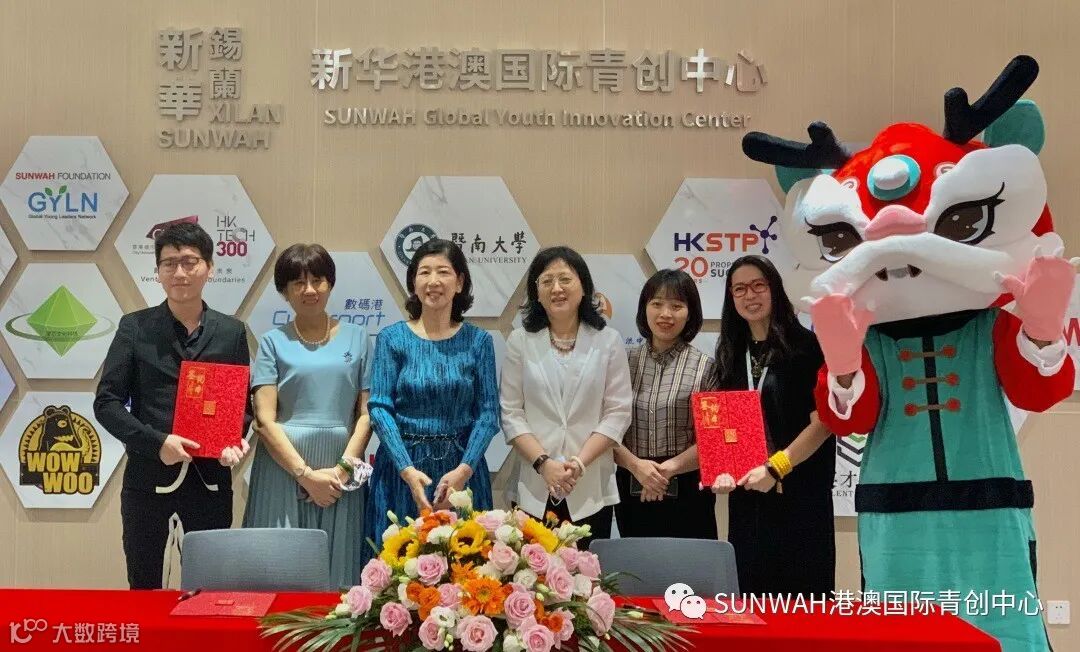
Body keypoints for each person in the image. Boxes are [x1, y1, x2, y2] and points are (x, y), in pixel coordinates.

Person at [94, 222, 251, 590]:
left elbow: (242, 405)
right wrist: (157, 443)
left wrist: (233, 440)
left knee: (210, 590)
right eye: (169, 263)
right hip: (147, 481)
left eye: (190, 262)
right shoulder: (135, 328)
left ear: (210, 268)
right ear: (158, 272)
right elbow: (107, 403)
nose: (180, 272)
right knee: (144, 588)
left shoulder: (231, 332)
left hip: (211, 481)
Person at [361, 238, 499, 564]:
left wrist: (464, 470)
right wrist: (406, 470)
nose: (433, 281)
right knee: (396, 571)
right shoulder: (392, 338)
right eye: (424, 272)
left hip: (461, 470)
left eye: (443, 272)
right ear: (413, 282)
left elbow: (488, 412)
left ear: (460, 282)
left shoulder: (479, 341)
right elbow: (379, 407)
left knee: (466, 573)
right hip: (401, 469)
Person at [242, 244, 372, 587]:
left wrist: (342, 470)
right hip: (283, 468)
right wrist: (305, 475)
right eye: (298, 282)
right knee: (277, 572)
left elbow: (366, 414)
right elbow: (264, 420)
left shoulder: (359, 338)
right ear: (284, 290)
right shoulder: (272, 342)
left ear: (330, 283)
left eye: (318, 280)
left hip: (340, 469)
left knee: (338, 580)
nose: (310, 290)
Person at [708, 255, 835, 597]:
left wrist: (776, 467)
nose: (749, 296)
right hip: (749, 501)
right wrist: (723, 468)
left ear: (775, 289)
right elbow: (726, 425)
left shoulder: (807, 347)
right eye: (739, 289)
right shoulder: (731, 353)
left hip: (800, 496)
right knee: (750, 601)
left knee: (803, 605)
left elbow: (823, 423)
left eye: (758, 285)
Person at [501, 246, 632, 551]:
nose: (556, 288)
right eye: (546, 281)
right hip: (535, 486)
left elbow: (618, 412)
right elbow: (511, 412)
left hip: (589, 487)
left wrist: (579, 462)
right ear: (536, 292)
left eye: (565, 279)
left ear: (583, 286)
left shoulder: (607, 341)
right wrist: (543, 463)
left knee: (589, 572)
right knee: (531, 573)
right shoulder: (521, 341)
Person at [613, 269, 717, 539]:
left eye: (677, 306)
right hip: (631, 482)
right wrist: (637, 466)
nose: (665, 314)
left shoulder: (706, 367)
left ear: (690, 313)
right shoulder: (622, 362)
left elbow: (713, 438)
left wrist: (666, 471)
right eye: (657, 303)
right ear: (644, 309)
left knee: (690, 565)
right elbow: (604, 428)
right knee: (635, 563)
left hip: (688, 488)